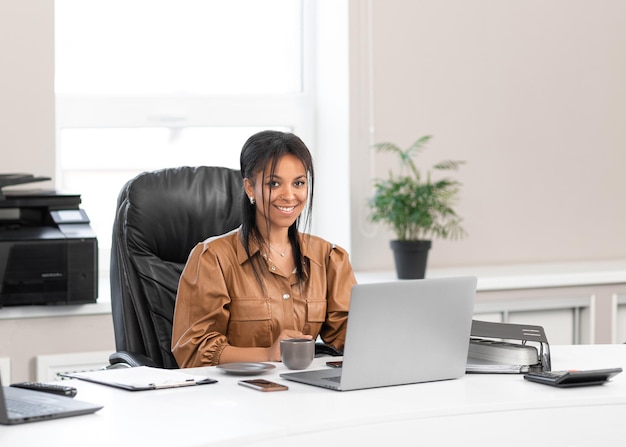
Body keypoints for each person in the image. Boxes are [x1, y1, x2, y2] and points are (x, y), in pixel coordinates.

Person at [171, 130, 356, 367]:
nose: (289, 195)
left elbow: (351, 334)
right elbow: (193, 351)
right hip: (235, 394)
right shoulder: (213, 258)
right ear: (250, 188)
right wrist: (269, 354)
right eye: (274, 183)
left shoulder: (329, 258)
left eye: (298, 183)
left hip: (305, 390)